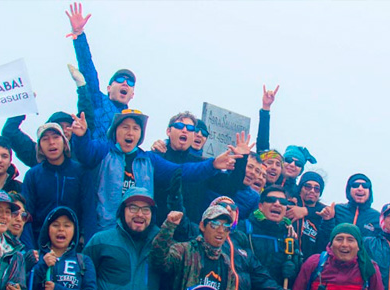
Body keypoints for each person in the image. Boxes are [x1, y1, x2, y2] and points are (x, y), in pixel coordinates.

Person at [72, 110, 236, 236]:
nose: (130, 132)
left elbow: (181, 171)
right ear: (115, 131)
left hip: (141, 234)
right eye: (125, 127)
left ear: (140, 134)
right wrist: (81, 136)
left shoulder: (150, 160)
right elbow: (85, 154)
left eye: (136, 128)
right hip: (105, 230)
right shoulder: (103, 152)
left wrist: (212, 164)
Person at [83, 188, 169, 290]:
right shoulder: (100, 240)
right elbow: (83, 277)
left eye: (146, 209)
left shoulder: (161, 246)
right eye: (133, 208)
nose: (140, 214)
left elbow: (168, 286)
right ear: (122, 210)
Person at [151, 203, 242, 290]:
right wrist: (168, 227)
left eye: (226, 227)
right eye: (215, 224)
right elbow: (158, 260)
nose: (221, 230)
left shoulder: (225, 261)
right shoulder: (185, 250)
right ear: (202, 226)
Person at [65, 2, 133, 145]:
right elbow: (88, 71)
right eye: (120, 79)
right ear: (109, 88)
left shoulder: (132, 120)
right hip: (94, 160)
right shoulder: (98, 101)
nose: (125, 83)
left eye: (130, 82)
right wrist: (79, 35)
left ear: (132, 95)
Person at [29, 207, 99, 290]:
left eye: (67, 225)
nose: (61, 229)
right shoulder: (35, 257)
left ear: (75, 230)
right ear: (47, 229)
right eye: (55, 225)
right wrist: (42, 266)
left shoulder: (83, 261)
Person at [21, 123, 87, 234]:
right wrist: (30, 249)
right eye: (45, 139)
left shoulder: (80, 171)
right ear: (40, 148)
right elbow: (26, 214)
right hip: (41, 243)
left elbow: (89, 210)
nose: (51, 142)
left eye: (56, 137)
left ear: (65, 143)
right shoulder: (32, 175)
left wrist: (86, 242)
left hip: (74, 242)